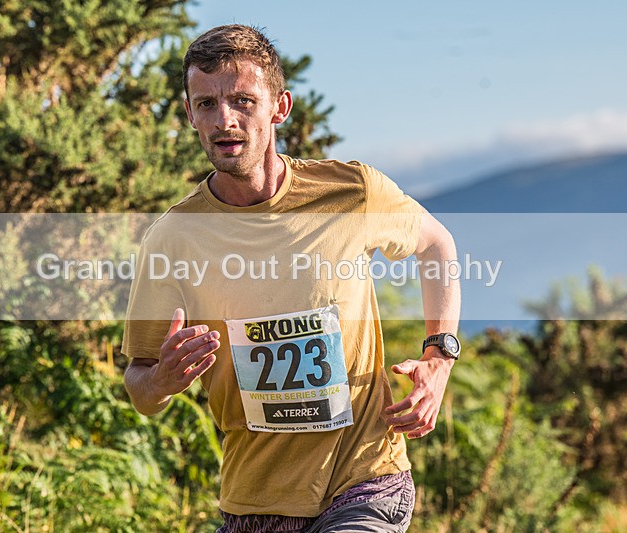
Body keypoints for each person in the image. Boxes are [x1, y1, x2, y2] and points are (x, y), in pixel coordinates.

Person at [122, 24, 460, 532]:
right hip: (254, 499)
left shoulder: (350, 192)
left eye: (242, 100)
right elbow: (140, 388)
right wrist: (163, 380)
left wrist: (440, 356)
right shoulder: (173, 238)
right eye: (207, 104)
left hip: (363, 482)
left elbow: (438, 245)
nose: (225, 120)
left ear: (280, 107)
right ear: (190, 113)